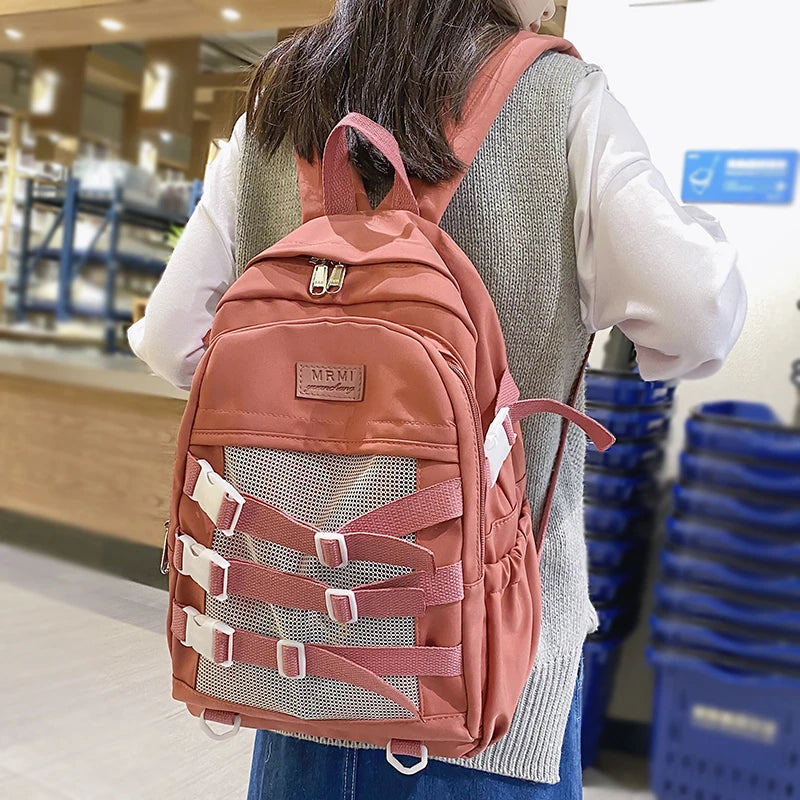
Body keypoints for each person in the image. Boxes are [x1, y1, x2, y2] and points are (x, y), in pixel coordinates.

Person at [129, 1, 746, 797]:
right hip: (489, 697)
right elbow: (699, 320)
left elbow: (172, 341)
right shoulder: (564, 101)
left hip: (289, 664)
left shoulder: (276, 104)